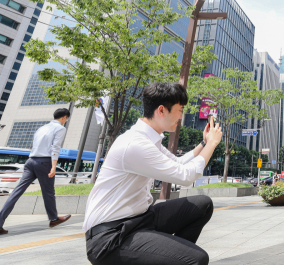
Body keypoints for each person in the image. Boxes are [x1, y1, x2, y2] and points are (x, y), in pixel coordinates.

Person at [83, 82, 223, 265]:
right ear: (161, 110)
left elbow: (178, 163)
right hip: (111, 237)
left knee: (202, 205)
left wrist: (204, 144)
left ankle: (169, 258)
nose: (181, 116)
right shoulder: (135, 144)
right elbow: (186, 176)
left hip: (140, 219)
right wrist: (212, 144)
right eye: (180, 110)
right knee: (196, 259)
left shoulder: (149, 140)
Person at [0, 108, 73, 235]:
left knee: (16, 192)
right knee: (48, 192)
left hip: (30, 161)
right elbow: (55, 147)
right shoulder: (61, 128)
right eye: (66, 119)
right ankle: (54, 219)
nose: (65, 121)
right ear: (64, 118)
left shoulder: (42, 128)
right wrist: (54, 166)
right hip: (44, 162)